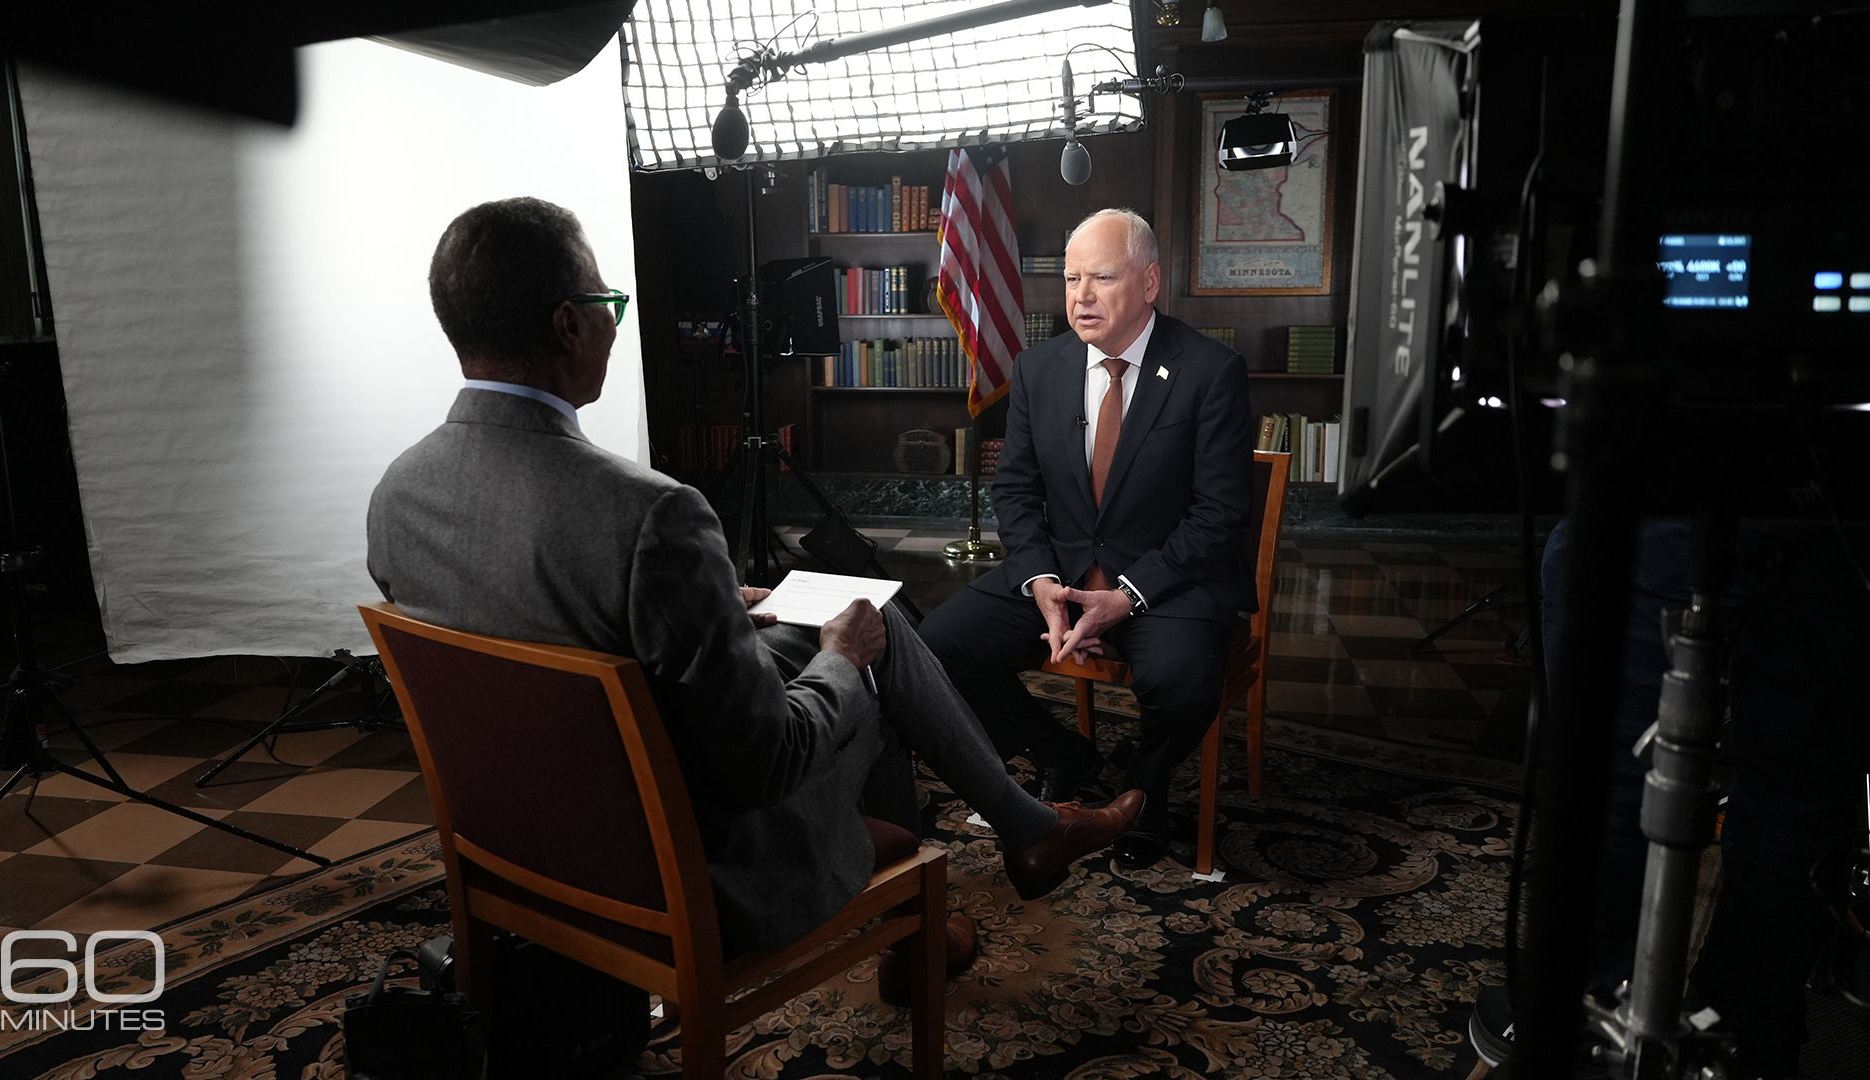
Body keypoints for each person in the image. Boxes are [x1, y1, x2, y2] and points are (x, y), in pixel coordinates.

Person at [365, 197, 1142, 964]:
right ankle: (975, 878)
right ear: (570, 324)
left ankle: (966, 889)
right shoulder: (650, 515)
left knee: (859, 626)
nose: (611, 323)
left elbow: (540, 639)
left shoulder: (398, 494)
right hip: (692, 864)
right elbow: (764, 761)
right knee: (872, 660)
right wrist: (840, 656)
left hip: (528, 840)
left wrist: (709, 609)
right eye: (607, 303)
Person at [919, 208, 1255, 867]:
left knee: (1184, 683)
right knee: (936, 648)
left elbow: (1220, 513)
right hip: (1063, 570)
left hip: (1167, 580)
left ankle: (1142, 794)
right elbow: (1015, 491)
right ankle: (1059, 751)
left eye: (1102, 277)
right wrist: (1042, 580)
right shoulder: (1039, 368)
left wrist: (1127, 594)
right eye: (1072, 279)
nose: (1081, 296)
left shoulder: (1209, 370)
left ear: (1151, 282)